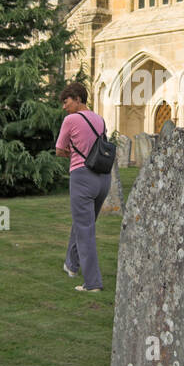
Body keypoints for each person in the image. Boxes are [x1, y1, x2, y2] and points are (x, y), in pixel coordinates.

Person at [55, 82, 110, 292]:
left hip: (82, 176)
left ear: (78, 99)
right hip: (103, 179)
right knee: (83, 223)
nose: (64, 106)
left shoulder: (70, 120)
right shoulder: (100, 119)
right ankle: (71, 264)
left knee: (85, 229)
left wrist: (72, 152)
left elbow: (59, 149)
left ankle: (92, 283)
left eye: (66, 101)